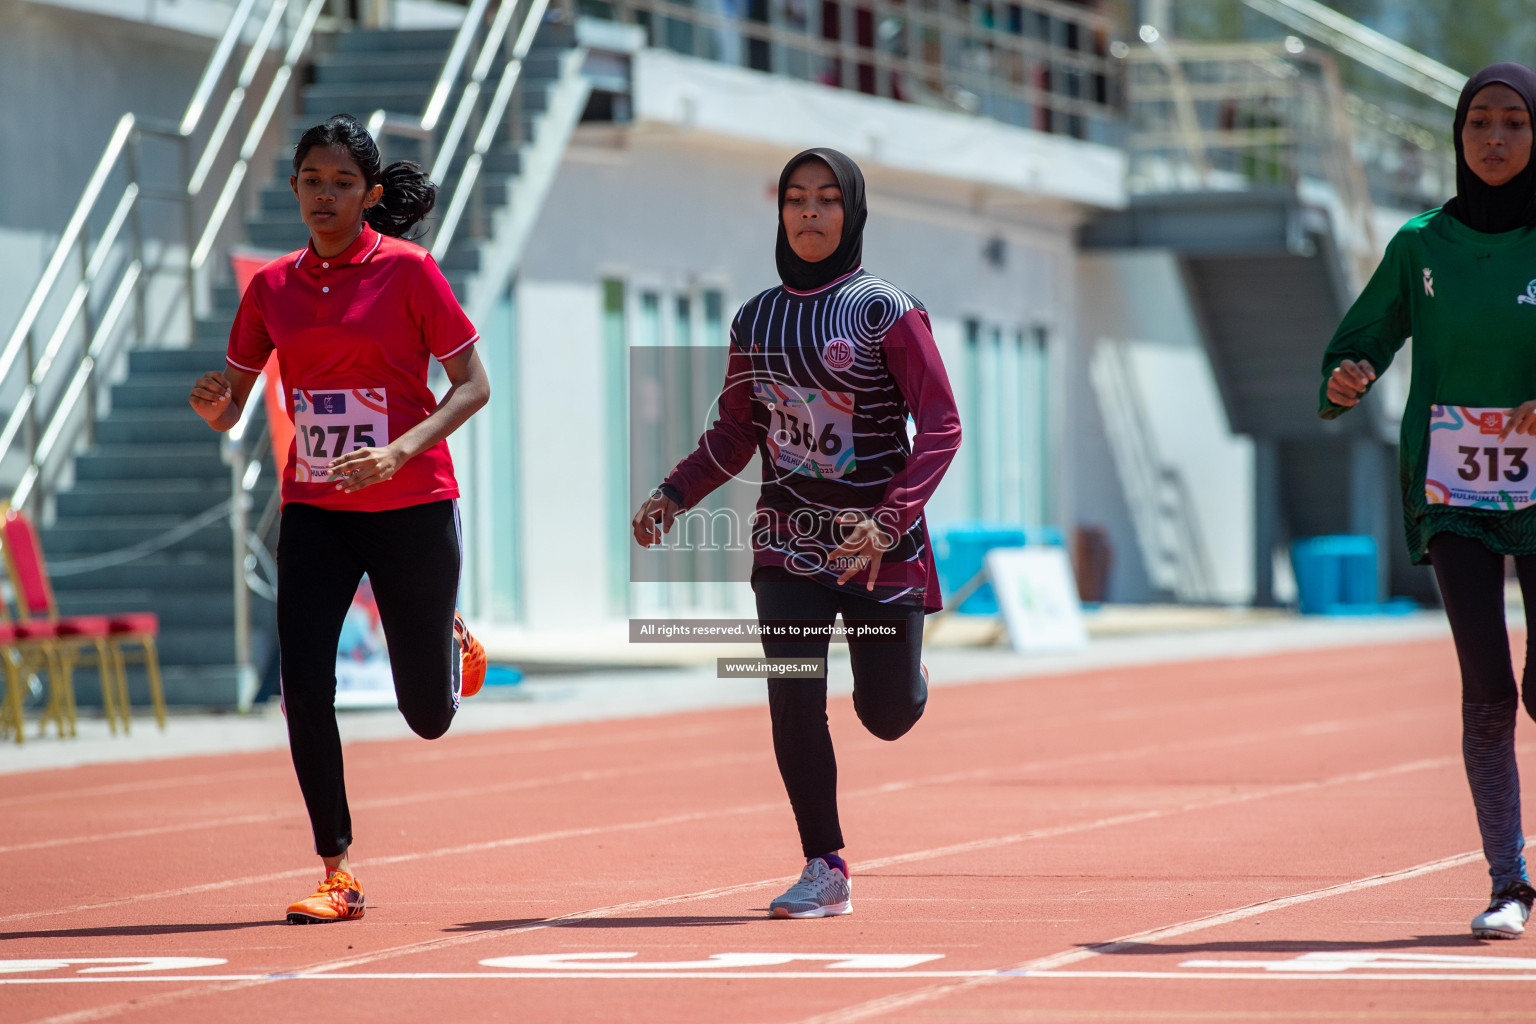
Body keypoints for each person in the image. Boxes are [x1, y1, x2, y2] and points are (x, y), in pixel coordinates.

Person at [632, 148, 961, 918]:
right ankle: (825, 865)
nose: (810, 212)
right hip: (786, 541)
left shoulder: (886, 310)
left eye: (826, 199)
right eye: (795, 199)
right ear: (780, 213)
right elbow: (735, 432)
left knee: (885, 716)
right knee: (792, 698)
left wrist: (889, 520)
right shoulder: (756, 318)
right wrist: (672, 493)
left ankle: (905, 683)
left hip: (877, 547)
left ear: (852, 212)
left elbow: (942, 423)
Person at [189, 113, 490, 924]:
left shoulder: (411, 272)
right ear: (293, 189)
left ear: (370, 194)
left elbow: (473, 385)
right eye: (313, 181)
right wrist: (214, 405)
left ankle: (442, 636)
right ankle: (337, 869)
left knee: (425, 716)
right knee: (304, 685)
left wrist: (400, 449)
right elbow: (233, 403)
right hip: (317, 506)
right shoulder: (271, 288)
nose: (326, 196)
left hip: (413, 501)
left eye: (343, 183)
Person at [1320, 64, 1536, 939]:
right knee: (1485, 688)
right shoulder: (1420, 244)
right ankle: (1509, 885)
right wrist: (1344, 378)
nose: (1493, 138)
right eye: (1479, 122)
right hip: (1453, 491)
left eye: (1514, 123)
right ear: (1458, 136)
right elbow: (1358, 342)